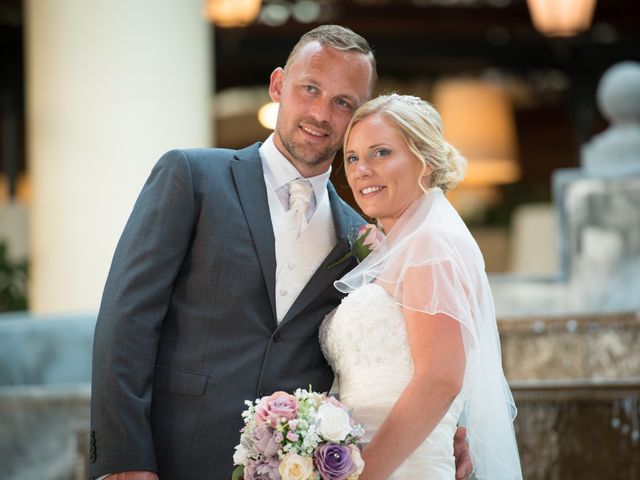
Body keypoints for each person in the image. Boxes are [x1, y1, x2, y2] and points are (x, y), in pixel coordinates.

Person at [89, 26, 471, 480]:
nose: (320, 113)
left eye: (343, 102)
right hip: (175, 455)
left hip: (296, 469)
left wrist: (451, 426)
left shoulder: (363, 236)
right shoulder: (192, 176)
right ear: (278, 86)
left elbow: (420, 336)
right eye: (310, 89)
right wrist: (124, 457)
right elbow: (125, 321)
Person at [320, 94, 522, 479]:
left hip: (399, 466)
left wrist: (366, 473)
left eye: (381, 153)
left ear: (425, 161)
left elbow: (440, 379)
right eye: (352, 157)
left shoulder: (431, 245)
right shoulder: (402, 248)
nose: (362, 169)